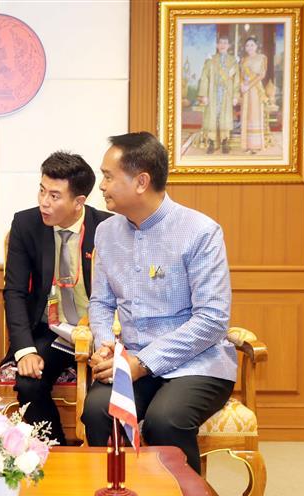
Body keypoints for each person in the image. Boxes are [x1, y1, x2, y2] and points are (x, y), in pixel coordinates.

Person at [81, 132, 237, 474]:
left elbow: (212, 319)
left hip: (198, 364)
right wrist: (107, 344)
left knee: (165, 420)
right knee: (97, 411)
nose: (101, 186)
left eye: (108, 176)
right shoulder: (106, 232)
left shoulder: (200, 231)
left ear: (141, 181)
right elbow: (101, 303)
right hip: (133, 360)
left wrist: (144, 362)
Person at [3, 151, 111, 445]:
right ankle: (55, 449)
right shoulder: (26, 224)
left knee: (110, 386)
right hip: (52, 331)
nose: (44, 202)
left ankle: (103, 453)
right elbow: (13, 291)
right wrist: (24, 350)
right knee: (28, 382)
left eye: (54, 195)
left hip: (100, 332)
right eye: (41, 190)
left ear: (79, 202)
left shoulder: (108, 228)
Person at [197, 36, 240, 154]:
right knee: (212, 117)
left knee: (225, 117)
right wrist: (204, 95)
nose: (223, 45)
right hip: (212, 94)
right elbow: (205, 77)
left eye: (225, 43)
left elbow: (236, 80)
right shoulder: (210, 60)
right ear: (217, 45)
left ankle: (224, 142)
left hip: (226, 94)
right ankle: (211, 142)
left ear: (229, 46)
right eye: (220, 43)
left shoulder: (233, 61)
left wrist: (236, 95)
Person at [240, 37, 268, 154]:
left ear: (256, 46)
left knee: (254, 115)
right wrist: (242, 85)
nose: (249, 47)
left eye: (252, 45)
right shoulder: (243, 60)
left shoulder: (262, 58)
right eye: (247, 45)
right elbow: (241, 75)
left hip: (255, 90)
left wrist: (248, 85)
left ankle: (255, 146)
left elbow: (261, 75)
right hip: (246, 91)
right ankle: (247, 145)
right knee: (246, 115)